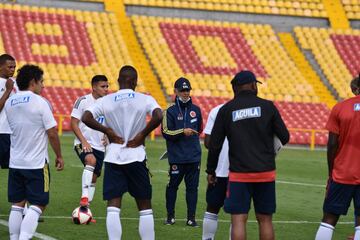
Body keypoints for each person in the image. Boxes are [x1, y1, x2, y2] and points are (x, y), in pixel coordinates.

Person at [82, 65, 162, 240]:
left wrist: (108, 131)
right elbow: (158, 115)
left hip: (113, 157)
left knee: (113, 206)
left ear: (118, 81)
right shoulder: (144, 99)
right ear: (134, 81)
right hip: (136, 155)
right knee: (145, 206)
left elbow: (85, 117)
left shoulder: (106, 100)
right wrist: (142, 134)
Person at [207, 70, 289, 240]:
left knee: (238, 219)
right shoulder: (268, 106)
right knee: (265, 219)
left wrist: (211, 170)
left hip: (239, 173)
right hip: (265, 172)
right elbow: (285, 137)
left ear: (235, 89)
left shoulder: (226, 109)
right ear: (253, 85)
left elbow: (214, 145)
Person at [5, 64, 64, 240]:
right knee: (39, 204)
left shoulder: (10, 102)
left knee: (17, 205)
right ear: (33, 82)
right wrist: (59, 155)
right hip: (36, 163)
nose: (43, 85)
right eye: (41, 81)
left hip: (15, 162)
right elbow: (52, 132)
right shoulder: (41, 102)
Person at [315, 75, 360, 240]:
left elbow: (332, 144)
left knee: (329, 219)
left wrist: (331, 172)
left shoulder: (340, 108)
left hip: (342, 173)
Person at [162, 77, 203, 227]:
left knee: (192, 188)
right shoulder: (169, 111)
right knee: (172, 186)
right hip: (177, 158)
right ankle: (170, 216)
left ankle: (191, 218)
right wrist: (182, 132)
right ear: (176, 91)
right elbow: (166, 132)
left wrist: (187, 133)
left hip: (193, 157)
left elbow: (200, 129)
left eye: (188, 90)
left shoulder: (196, 110)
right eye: (183, 90)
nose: (186, 93)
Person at [71, 75, 109, 208]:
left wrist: (107, 135)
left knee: (94, 178)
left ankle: (85, 209)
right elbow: (74, 123)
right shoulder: (83, 101)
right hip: (82, 143)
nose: (106, 89)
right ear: (94, 87)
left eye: (107, 86)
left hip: (100, 146)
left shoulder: (107, 103)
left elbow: (109, 123)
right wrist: (84, 142)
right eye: (103, 86)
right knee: (90, 161)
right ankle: (84, 198)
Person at [202, 103, 229, 240]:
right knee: (238, 213)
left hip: (219, 168)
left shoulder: (217, 110)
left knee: (212, 208)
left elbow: (208, 142)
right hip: (242, 170)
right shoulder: (256, 109)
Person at [0, 54, 17, 169]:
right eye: (9, 67)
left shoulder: (13, 83)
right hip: (1, 132)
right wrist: (8, 91)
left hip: (11, 132)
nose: (12, 70)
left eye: (14, 67)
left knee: (13, 168)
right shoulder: (8, 85)